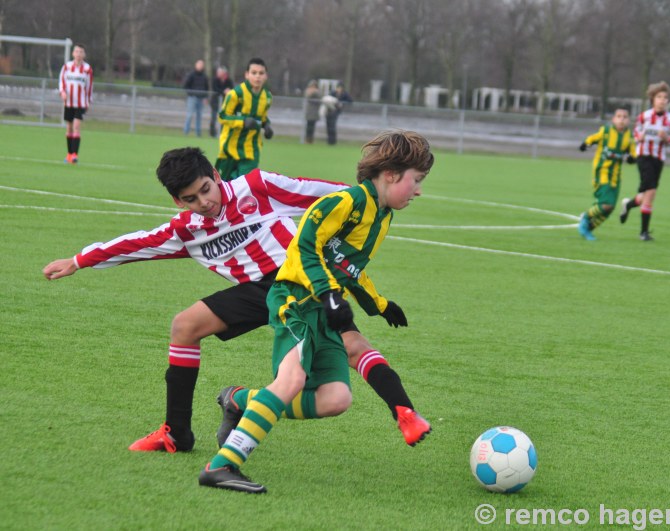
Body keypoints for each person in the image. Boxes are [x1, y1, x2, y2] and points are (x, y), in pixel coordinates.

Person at [42, 147, 431, 455]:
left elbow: (329, 195)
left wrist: (376, 197)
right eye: (190, 199)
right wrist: (78, 260)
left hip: (295, 283)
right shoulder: (187, 230)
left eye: (206, 190)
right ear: (178, 201)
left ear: (216, 175)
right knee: (184, 326)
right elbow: (138, 242)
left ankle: (403, 412)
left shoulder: (257, 187)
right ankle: (175, 433)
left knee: (350, 346)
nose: (204, 202)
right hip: (252, 294)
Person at [199, 130, 435, 494]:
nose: (418, 190)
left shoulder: (382, 216)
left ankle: (239, 399)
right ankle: (222, 466)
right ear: (390, 173)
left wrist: (380, 304)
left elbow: (349, 266)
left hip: (323, 307)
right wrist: (328, 296)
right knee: (291, 381)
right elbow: (307, 244)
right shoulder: (346, 201)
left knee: (335, 399)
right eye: (415, 180)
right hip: (296, 298)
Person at [619, 81, 670, 241]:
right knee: (651, 192)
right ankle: (643, 233)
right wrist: (640, 137)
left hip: (659, 158)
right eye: (659, 97)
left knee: (644, 196)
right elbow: (635, 134)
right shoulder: (644, 116)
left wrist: (667, 138)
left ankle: (628, 205)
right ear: (653, 99)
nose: (662, 100)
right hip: (644, 156)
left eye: (665, 97)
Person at [576, 106, 637, 241]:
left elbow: (633, 154)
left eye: (625, 117)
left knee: (610, 208)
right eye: (619, 116)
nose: (621, 120)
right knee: (606, 203)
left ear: (628, 121)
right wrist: (585, 144)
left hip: (615, 176)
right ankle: (585, 217)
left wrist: (632, 159)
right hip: (601, 172)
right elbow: (593, 138)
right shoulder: (606, 131)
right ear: (613, 119)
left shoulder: (629, 137)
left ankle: (588, 229)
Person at [215, 58, 273, 181]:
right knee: (222, 185)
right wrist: (243, 121)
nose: (257, 77)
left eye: (261, 73)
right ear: (247, 74)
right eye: (254, 73)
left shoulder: (267, 97)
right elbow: (222, 116)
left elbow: (262, 117)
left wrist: (266, 125)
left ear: (266, 76)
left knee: (246, 184)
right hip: (229, 148)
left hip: (251, 150)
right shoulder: (236, 94)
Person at [58, 43, 93, 164]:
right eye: (77, 51)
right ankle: (68, 154)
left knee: (76, 126)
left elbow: (89, 87)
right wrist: (62, 92)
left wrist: (88, 101)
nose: (78, 54)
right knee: (69, 128)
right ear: (73, 53)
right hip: (69, 102)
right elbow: (61, 82)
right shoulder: (67, 67)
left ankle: (74, 155)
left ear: (84, 54)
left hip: (81, 103)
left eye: (81, 52)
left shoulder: (87, 69)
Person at [182, 59, 209, 137]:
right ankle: (186, 132)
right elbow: (186, 86)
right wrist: (191, 94)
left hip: (201, 98)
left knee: (199, 116)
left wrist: (205, 97)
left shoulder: (204, 76)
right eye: (199, 64)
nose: (200, 66)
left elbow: (206, 88)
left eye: (202, 65)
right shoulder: (191, 75)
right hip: (192, 98)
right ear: (196, 65)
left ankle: (198, 133)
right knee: (189, 115)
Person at [209, 66, 233, 138]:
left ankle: (223, 133)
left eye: (220, 72)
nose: (218, 73)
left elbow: (231, 89)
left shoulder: (228, 80)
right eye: (218, 72)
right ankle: (212, 134)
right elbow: (215, 89)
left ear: (224, 73)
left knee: (223, 119)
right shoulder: (215, 80)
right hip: (215, 102)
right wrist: (223, 91)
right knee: (213, 118)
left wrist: (228, 91)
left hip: (225, 103)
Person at [303, 80, 321, 144]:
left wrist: (315, 92)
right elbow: (307, 97)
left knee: (312, 127)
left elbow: (319, 99)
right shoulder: (308, 91)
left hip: (314, 113)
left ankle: (311, 140)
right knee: (308, 127)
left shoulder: (318, 92)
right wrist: (311, 93)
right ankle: (307, 140)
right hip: (309, 112)